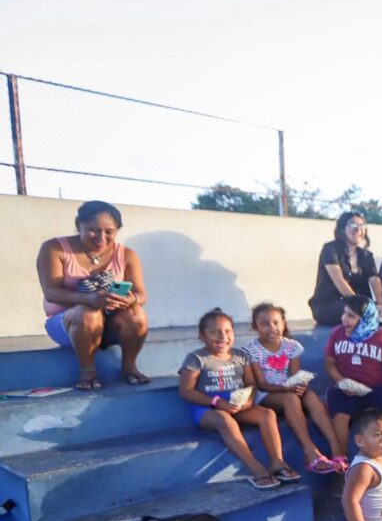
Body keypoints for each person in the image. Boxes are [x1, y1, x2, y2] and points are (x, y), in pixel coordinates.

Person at [178, 308, 299, 490]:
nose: (222, 337)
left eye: (228, 331)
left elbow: (250, 385)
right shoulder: (196, 358)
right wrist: (216, 402)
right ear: (202, 336)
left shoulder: (240, 356)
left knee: (267, 414)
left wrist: (249, 401)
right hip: (208, 408)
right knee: (224, 420)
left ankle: (277, 462)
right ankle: (255, 467)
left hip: (237, 405)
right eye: (214, 332)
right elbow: (185, 391)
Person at [37, 200, 150, 389]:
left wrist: (130, 299)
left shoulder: (127, 255)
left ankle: (129, 367)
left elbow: (141, 294)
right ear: (78, 225)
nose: (101, 238)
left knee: (136, 313)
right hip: (68, 324)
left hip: (110, 325)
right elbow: (51, 293)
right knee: (87, 312)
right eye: (93, 230)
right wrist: (89, 299)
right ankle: (87, 371)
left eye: (109, 232)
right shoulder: (54, 248)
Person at [243, 302, 344, 474]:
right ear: (255, 327)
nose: (271, 328)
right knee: (290, 398)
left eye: (276, 323)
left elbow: (295, 375)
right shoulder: (252, 349)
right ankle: (309, 450)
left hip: (288, 390)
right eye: (265, 324)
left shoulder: (291, 346)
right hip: (267, 394)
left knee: (310, 396)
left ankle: (336, 447)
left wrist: (300, 385)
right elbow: (261, 384)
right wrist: (287, 388)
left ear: (283, 324)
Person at [323, 296, 382, 465]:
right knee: (340, 417)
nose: (344, 319)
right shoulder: (337, 333)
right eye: (344, 313)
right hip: (346, 388)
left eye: (351, 316)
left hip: (376, 388)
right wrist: (341, 382)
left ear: (365, 319)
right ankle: (342, 462)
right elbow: (330, 364)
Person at [309, 212, 382, 326]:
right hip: (329, 305)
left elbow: (375, 280)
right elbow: (339, 280)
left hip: (360, 305)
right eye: (353, 225)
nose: (358, 229)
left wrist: (381, 303)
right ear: (342, 228)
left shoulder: (366, 255)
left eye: (362, 225)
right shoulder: (330, 249)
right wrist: (360, 305)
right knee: (359, 313)